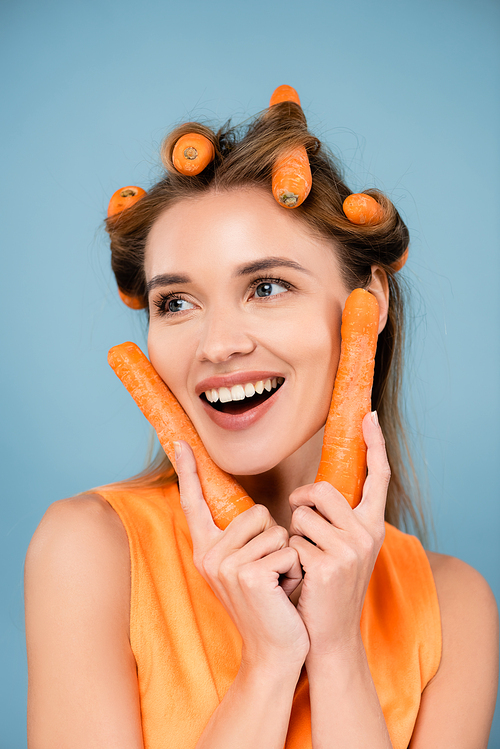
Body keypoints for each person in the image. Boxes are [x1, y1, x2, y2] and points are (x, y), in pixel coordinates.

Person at [24, 90, 498, 748]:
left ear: (370, 303)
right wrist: (267, 666)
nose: (217, 344)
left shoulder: (453, 603)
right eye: (178, 301)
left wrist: (336, 653)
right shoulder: (89, 550)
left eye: (267, 287)